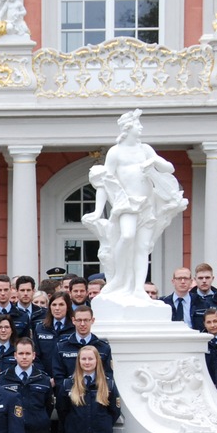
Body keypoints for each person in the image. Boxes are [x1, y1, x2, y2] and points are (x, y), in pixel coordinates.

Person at [84, 109, 186, 300]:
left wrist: (154, 160)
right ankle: (119, 277)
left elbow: (169, 168)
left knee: (143, 246)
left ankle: (138, 287)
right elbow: (104, 182)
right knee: (128, 236)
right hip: (127, 204)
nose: (141, 128)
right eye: (138, 125)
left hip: (146, 205)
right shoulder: (115, 152)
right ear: (128, 128)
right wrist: (98, 211)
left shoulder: (145, 150)